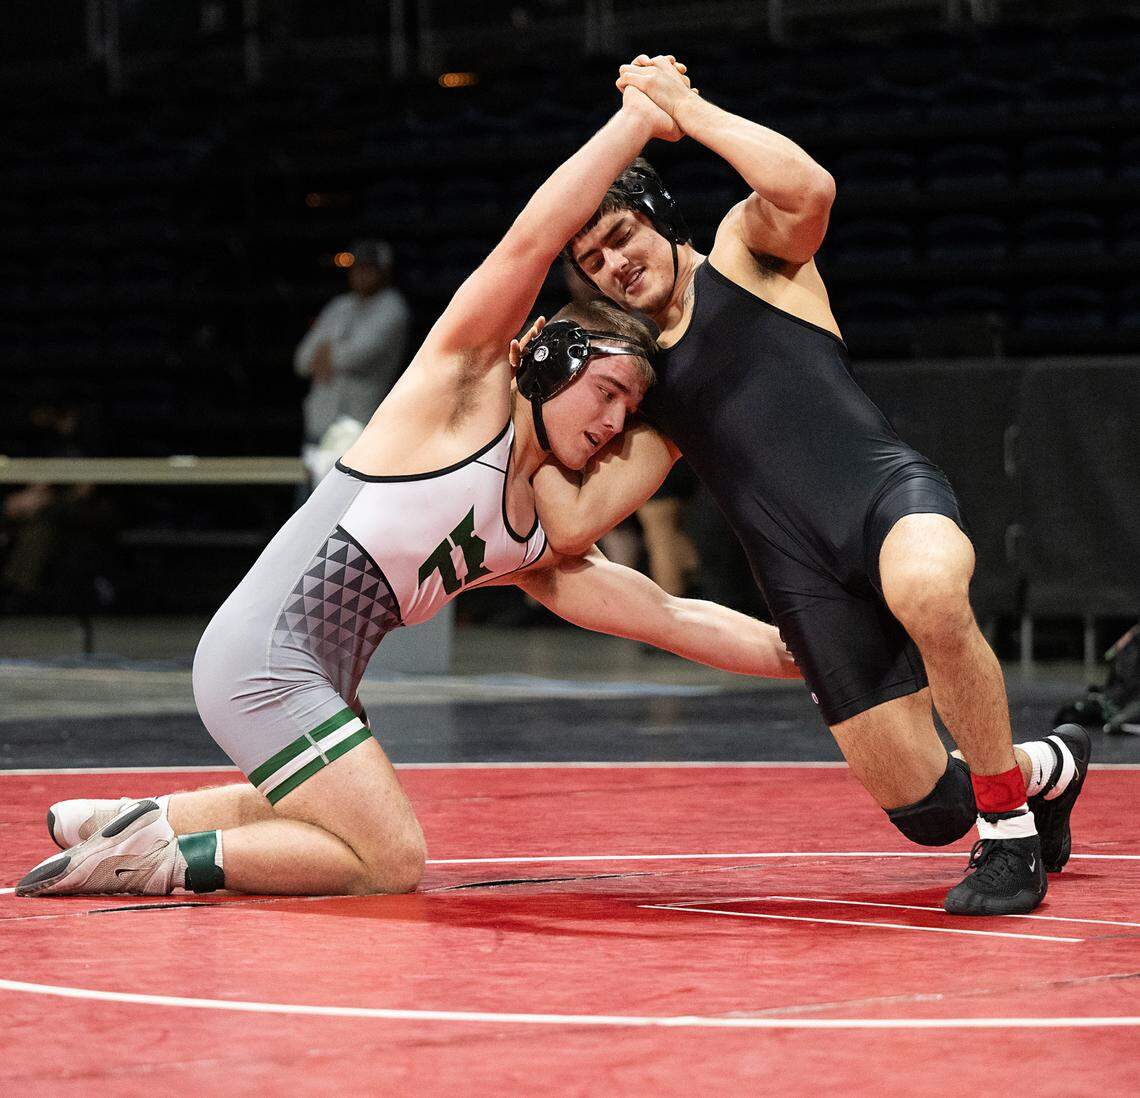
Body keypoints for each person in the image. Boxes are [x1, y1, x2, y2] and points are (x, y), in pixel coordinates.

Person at [18, 72, 800, 900]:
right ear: (541, 358)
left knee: (320, 810)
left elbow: (672, 618)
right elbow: (530, 243)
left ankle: (136, 818)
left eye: (631, 411)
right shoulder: (455, 398)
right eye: (606, 393)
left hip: (306, 677)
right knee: (388, 860)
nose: (613, 425)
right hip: (265, 660)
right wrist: (634, 122)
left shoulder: (532, 541)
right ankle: (153, 862)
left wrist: (822, 663)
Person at [535, 55, 1092, 916]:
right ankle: (1049, 768)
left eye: (622, 239)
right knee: (932, 811)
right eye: (593, 261)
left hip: (884, 501)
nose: (613, 265)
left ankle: (1012, 837)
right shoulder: (643, 385)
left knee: (930, 590)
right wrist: (516, 394)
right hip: (804, 582)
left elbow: (811, 189)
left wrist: (688, 108)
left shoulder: (745, 253)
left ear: (659, 220)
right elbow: (574, 524)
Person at [294, 238, 411, 485]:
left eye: (369, 268)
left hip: (359, 424)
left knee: (344, 506)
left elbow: (358, 356)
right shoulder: (340, 305)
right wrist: (330, 355)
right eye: (358, 267)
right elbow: (302, 360)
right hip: (320, 421)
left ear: (384, 271)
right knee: (307, 506)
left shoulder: (393, 308)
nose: (361, 274)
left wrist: (327, 351)